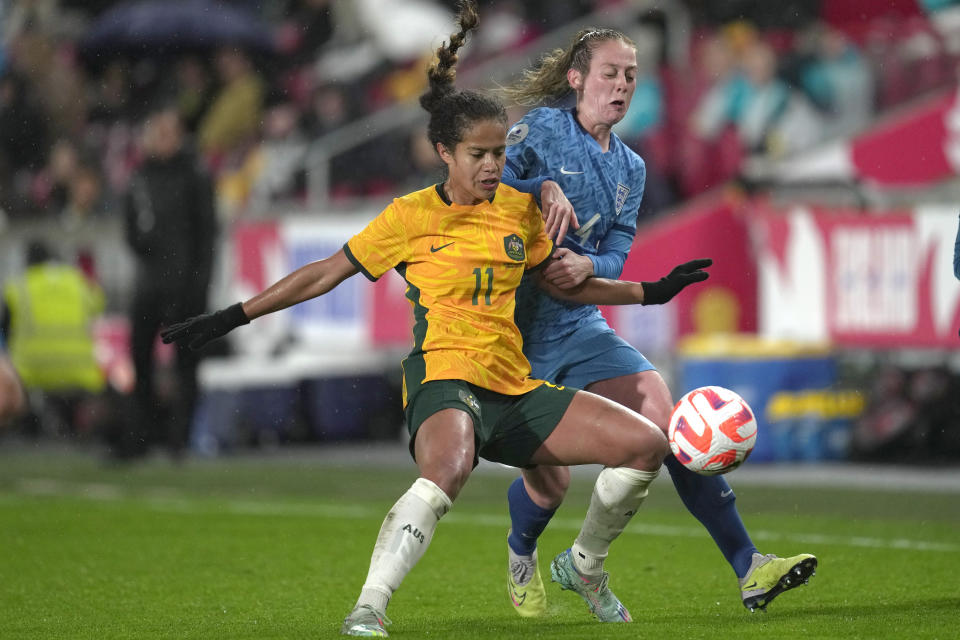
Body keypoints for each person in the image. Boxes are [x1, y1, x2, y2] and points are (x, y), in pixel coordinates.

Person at [160, 2, 709, 635]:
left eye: (500, 154)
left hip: (514, 384)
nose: (493, 167)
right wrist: (234, 315)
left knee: (646, 443)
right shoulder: (410, 216)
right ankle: (369, 606)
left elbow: (565, 288)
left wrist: (649, 291)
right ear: (444, 152)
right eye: (478, 154)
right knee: (448, 468)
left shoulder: (517, 212)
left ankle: (585, 564)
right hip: (443, 375)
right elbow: (324, 272)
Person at [497, 27, 817, 618]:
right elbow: (483, 190)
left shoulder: (631, 168)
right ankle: (522, 551)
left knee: (665, 423)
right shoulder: (540, 130)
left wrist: (590, 263)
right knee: (551, 485)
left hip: (578, 323)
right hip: (512, 334)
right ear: (576, 79)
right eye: (609, 73)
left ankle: (744, 568)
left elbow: (618, 248)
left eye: (630, 76)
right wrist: (537, 186)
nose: (621, 85)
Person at [121, 107, 217, 459]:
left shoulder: (194, 175)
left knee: (185, 366)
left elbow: (207, 236)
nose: (162, 140)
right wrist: (145, 245)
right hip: (148, 285)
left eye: (168, 132)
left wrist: (199, 285)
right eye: (157, 132)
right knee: (139, 361)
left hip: (184, 287)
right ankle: (140, 438)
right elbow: (130, 228)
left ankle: (179, 441)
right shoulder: (140, 176)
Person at [1, 240, 104, 434]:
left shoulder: (18, 287)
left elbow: (4, 331)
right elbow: (99, 306)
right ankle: (72, 427)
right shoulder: (78, 281)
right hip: (78, 371)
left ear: (28, 262)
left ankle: (25, 427)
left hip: (30, 372)